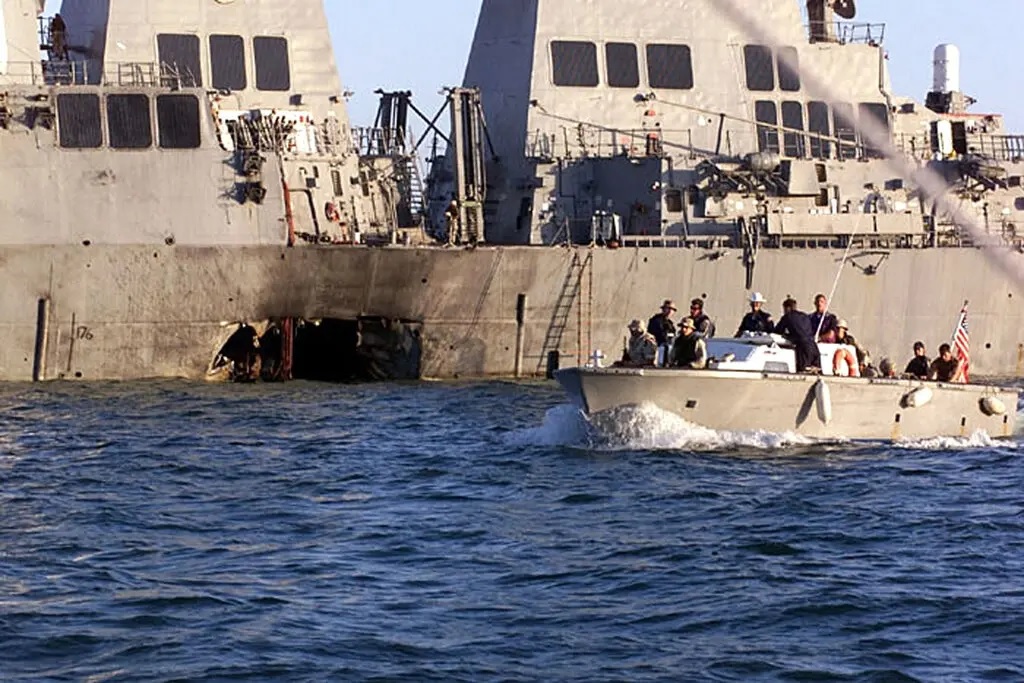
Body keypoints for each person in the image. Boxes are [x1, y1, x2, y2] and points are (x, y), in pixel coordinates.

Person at [774, 297, 820, 372]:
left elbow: (777, 331)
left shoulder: (787, 316)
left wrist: (787, 335)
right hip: (814, 347)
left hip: (803, 348)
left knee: (802, 372)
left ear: (787, 308)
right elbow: (805, 331)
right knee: (815, 372)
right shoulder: (805, 316)